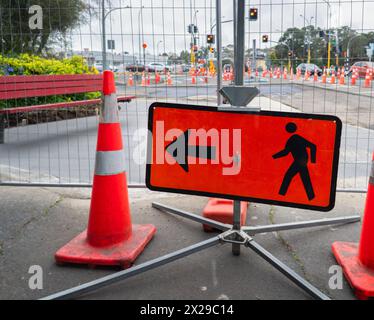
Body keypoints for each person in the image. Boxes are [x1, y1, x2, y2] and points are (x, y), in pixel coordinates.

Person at [273, 122, 316, 201]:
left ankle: (280, 195)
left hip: (300, 161)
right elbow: (286, 152)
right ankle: (311, 197)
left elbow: (313, 146)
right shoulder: (293, 138)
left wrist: (313, 162)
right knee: (305, 178)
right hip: (301, 161)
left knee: (288, 176)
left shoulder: (294, 138)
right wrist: (274, 156)